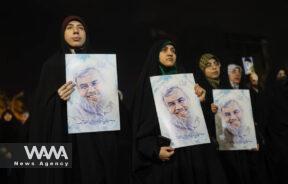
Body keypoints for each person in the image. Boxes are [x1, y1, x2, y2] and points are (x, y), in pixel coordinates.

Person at [25, 15, 128, 184]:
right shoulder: (52, 65)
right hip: (67, 141)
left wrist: (116, 97)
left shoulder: (101, 65)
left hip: (96, 142)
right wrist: (57, 99)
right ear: (62, 34)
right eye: (70, 27)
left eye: (80, 28)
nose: (76, 31)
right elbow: (40, 110)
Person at [131, 40, 227, 184]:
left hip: (195, 156)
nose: (170, 53)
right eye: (164, 50)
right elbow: (141, 127)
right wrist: (155, 151)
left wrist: (201, 102)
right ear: (156, 55)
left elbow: (201, 122)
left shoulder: (187, 81)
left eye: (173, 50)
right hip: (169, 160)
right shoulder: (147, 87)